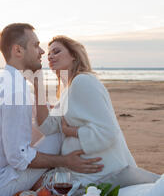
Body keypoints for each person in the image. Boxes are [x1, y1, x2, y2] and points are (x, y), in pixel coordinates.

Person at [0, 24, 104, 196]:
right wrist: (65, 161)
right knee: (57, 130)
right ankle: (72, 170)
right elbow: (18, 158)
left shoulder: (4, 79)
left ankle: (47, 177)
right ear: (18, 50)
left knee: (45, 124)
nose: (42, 51)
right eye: (36, 45)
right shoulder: (16, 90)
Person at [34, 35, 137, 186]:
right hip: (78, 171)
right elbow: (47, 127)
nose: (50, 56)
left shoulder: (83, 81)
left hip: (99, 173)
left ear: (74, 56)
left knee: (31, 186)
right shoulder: (67, 90)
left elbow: (107, 132)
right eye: (49, 54)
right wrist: (38, 88)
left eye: (56, 51)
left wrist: (71, 132)